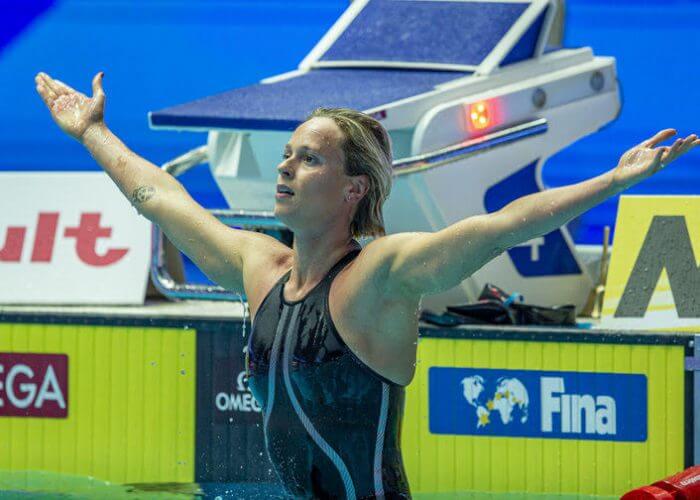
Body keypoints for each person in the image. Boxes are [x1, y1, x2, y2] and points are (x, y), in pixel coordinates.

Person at [35, 71, 698, 499]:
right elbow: (159, 196)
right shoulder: (258, 265)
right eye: (288, 153)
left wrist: (612, 181)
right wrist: (93, 131)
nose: (287, 167)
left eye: (310, 158)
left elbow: (501, 226)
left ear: (353, 189)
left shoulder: (380, 276)